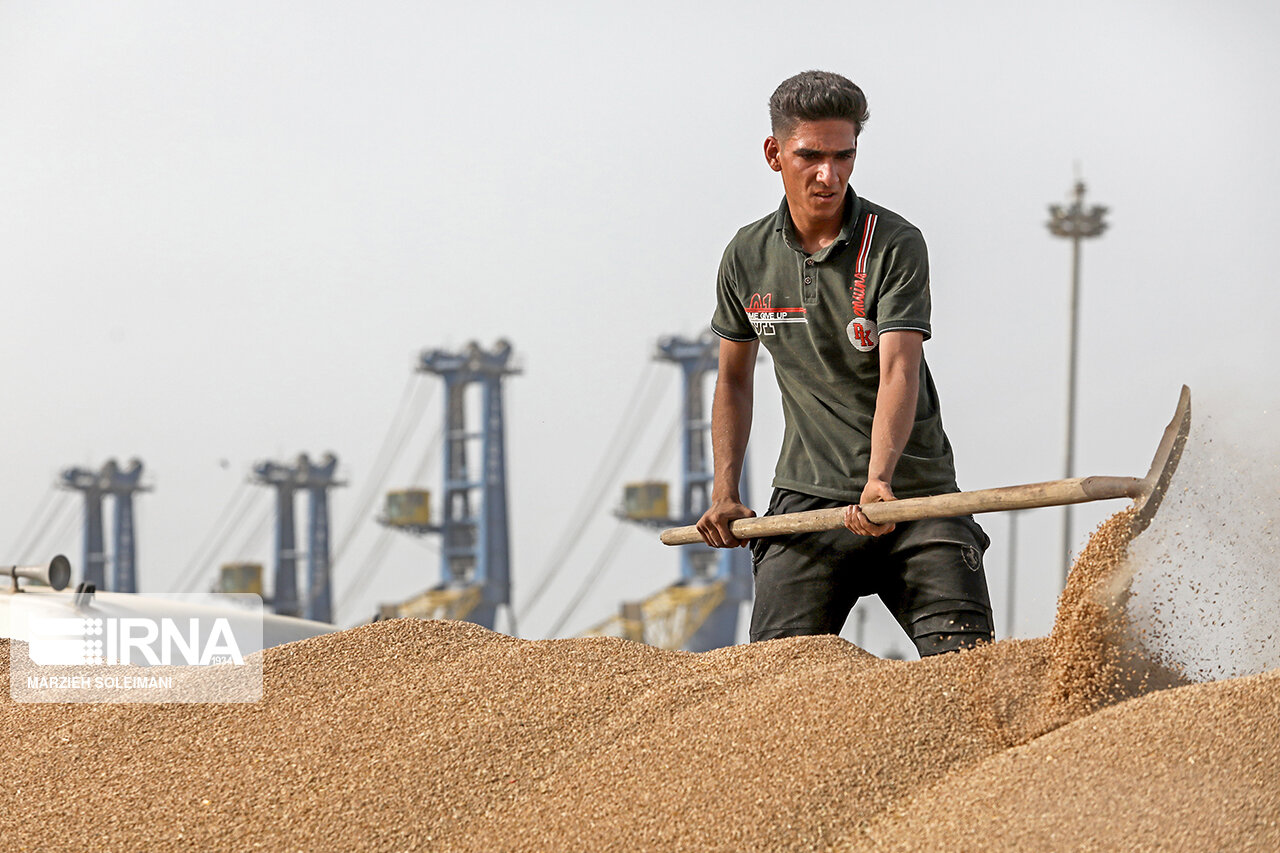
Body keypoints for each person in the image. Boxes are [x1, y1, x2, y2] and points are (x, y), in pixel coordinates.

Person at [695, 70, 994, 656]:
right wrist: (724, 490)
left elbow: (899, 371)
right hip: (806, 502)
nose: (828, 175)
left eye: (843, 156)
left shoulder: (895, 243)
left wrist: (880, 480)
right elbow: (733, 380)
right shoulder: (746, 255)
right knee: (769, 689)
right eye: (810, 156)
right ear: (774, 154)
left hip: (913, 494)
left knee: (972, 678)